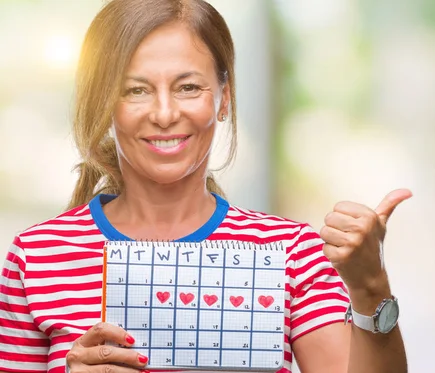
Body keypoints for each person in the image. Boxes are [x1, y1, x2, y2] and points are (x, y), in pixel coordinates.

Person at [0, 1, 411, 372]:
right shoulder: (35, 256)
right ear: (104, 102)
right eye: (136, 90)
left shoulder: (292, 252)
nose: (164, 113)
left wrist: (369, 284)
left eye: (188, 87)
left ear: (224, 98)